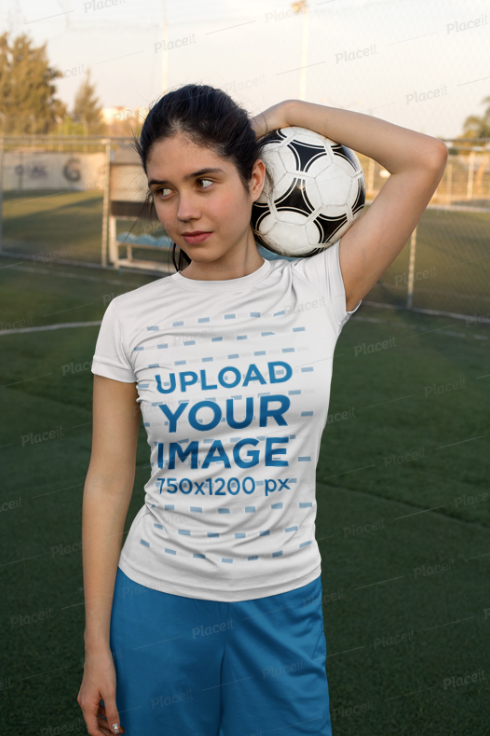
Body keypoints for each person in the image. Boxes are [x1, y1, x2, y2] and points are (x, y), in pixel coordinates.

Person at [77, 83, 447, 736]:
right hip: (157, 605)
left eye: (204, 181)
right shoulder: (129, 317)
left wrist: (287, 115)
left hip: (283, 607)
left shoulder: (318, 289)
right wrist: (96, 649)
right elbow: (108, 482)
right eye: (165, 190)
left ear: (254, 179)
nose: (185, 210)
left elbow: (425, 157)